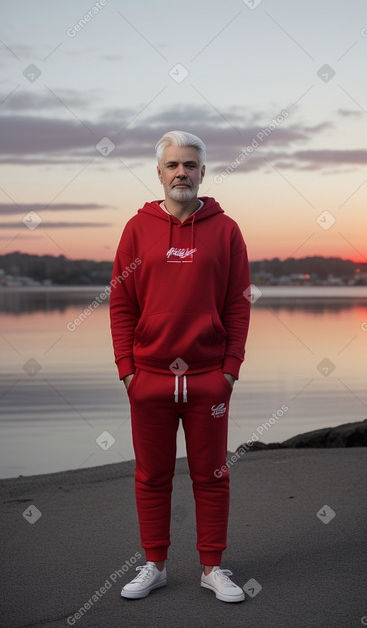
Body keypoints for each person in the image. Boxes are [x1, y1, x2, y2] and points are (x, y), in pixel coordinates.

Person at [109, 130, 251, 603]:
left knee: (211, 475)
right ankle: (155, 565)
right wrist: (127, 369)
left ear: (203, 172)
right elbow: (121, 304)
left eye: (190, 165)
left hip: (208, 378)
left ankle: (212, 568)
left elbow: (238, 303)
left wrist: (229, 369)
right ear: (159, 172)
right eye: (173, 165)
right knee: (152, 475)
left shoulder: (225, 230)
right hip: (148, 378)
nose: (181, 173)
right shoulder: (137, 229)